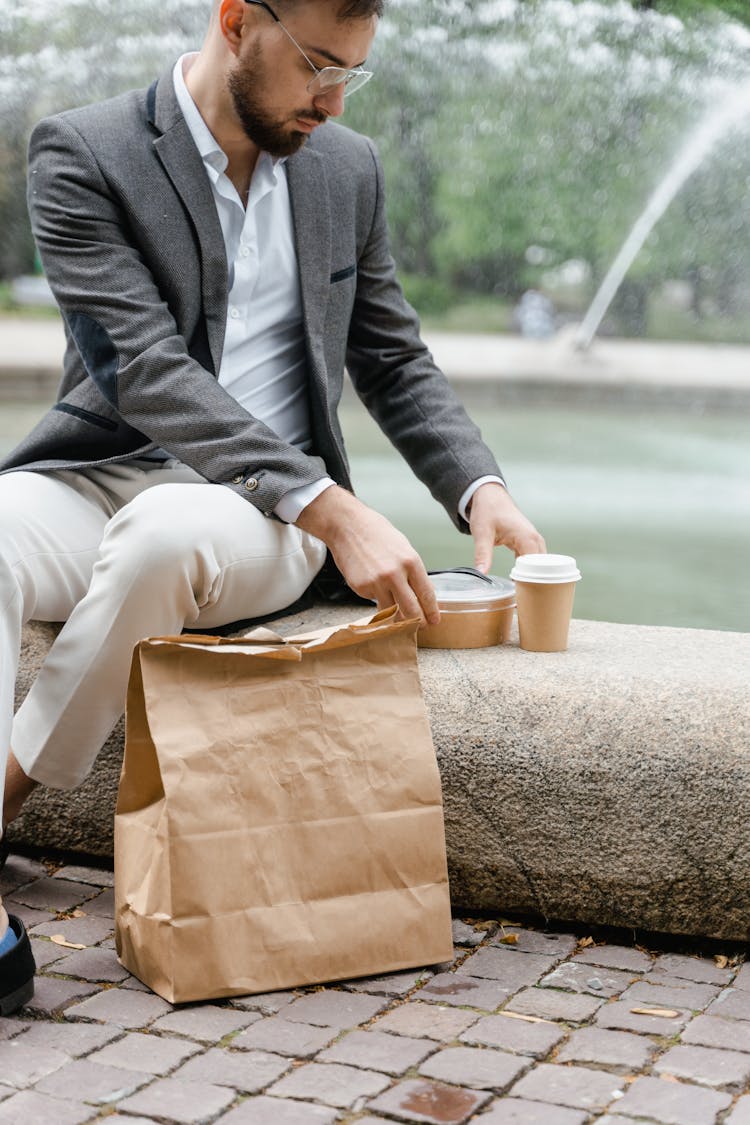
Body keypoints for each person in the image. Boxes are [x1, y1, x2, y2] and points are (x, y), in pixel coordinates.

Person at [0, 0, 545, 1001]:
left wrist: (480, 485)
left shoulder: (345, 169)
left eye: (354, 74)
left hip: (262, 516)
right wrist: (337, 506)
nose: (333, 100)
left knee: (166, 538)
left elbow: (390, 355)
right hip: (114, 467)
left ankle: (3, 804)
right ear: (236, 20)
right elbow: (146, 370)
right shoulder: (84, 149)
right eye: (316, 66)